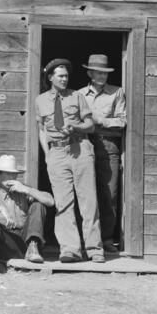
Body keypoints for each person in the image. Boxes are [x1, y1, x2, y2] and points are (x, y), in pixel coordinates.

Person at [35, 58, 105, 263]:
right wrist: (47, 154)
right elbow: (41, 129)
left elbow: (90, 125)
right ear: (50, 77)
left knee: (88, 200)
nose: (65, 79)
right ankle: (70, 249)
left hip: (80, 148)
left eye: (66, 76)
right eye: (60, 76)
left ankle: (94, 249)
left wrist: (76, 128)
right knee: (63, 203)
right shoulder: (40, 100)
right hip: (56, 153)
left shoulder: (78, 96)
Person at [0, 155, 55, 273]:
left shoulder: (23, 189)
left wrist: (27, 190)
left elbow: (50, 201)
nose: (11, 178)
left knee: (38, 205)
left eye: (14, 174)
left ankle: (33, 248)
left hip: (26, 243)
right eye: (7, 174)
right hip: (5, 243)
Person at [78, 55, 126, 253]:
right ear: (89, 73)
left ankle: (106, 239)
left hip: (109, 148)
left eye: (105, 73)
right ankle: (86, 239)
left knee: (109, 194)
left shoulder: (117, 92)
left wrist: (98, 121)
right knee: (85, 193)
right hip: (84, 146)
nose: (102, 76)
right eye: (98, 72)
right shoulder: (79, 94)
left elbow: (122, 122)